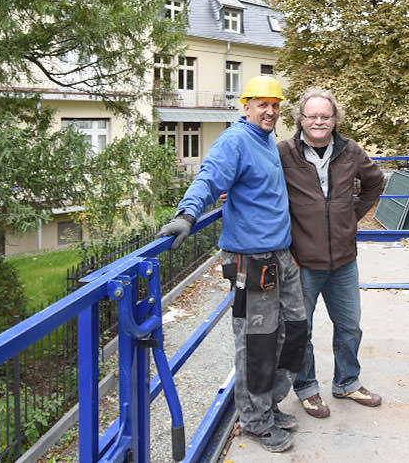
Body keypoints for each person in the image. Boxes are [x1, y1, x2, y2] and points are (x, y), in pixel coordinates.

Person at [158, 76, 307, 453]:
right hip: (250, 260)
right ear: (246, 106)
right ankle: (255, 422)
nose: (270, 111)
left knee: (294, 330)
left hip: (280, 255)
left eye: (274, 105)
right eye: (262, 104)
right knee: (257, 343)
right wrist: (187, 215)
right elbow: (209, 177)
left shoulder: (266, 141)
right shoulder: (236, 140)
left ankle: (268, 405)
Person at [276, 88, 386, 419]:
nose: (319, 122)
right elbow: (259, 182)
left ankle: (347, 382)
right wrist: (231, 192)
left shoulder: (350, 151)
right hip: (303, 261)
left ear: (335, 119)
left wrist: (350, 217)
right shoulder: (283, 152)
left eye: (325, 116)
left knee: (350, 326)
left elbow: (375, 183)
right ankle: (307, 389)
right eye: (312, 116)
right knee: (301, 330)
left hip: (343, 261)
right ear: (301, 119)